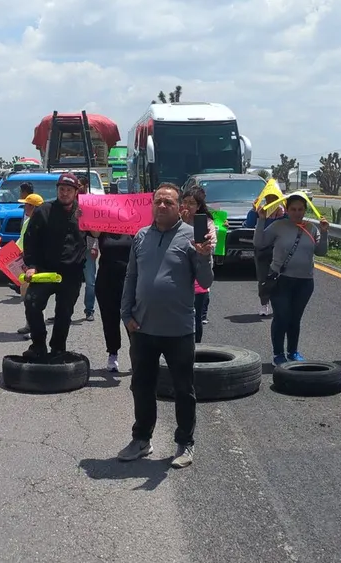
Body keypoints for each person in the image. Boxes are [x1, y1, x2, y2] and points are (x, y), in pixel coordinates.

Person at [117, 182, 214, 469]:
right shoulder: (141, 237)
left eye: (168, 203)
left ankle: (185, 443)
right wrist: (126, 314)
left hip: (179, 330)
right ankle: (141, 439)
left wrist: (205, 255)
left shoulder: (191, 237)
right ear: (152, 204)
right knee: (141, 386)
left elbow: (206, 282)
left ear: (179, 208)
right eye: (158, 201)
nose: (162, 206)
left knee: (183, 390)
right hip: (143, 329)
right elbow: (131, 278)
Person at [254, 194, 329, 365]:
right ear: (287, 210)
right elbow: (259, 243)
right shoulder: (278, 226)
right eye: (293, 209)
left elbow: (321, 252)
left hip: (304, 282)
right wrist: (261, 220)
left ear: (305, 210)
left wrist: (324, 233)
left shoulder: (311, 228)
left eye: (300, 209)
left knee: (295, 318)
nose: (297, 213)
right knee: (282, 316)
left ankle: (293, 352)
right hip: (280, 280)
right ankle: (278, 354)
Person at [20, 172, 87, 360]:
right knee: (32, 304)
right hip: (44, 271)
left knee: (64, 313)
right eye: (61, 189)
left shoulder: (84, 212)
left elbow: (96, 235)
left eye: (68, 190)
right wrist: (31, 265)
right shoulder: (43, 210)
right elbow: (30, 239)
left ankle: (58, 348)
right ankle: (38, 345)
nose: (64, 193)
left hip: (72, 273)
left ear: (76, 192)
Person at [93, 228, 134, 372]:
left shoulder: (134, 226)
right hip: (106, 280)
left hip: (129, 280)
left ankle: (137, 356)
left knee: (133, 319)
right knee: (110, 319)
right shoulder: (103, 228)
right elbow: (92, 232)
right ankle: (112, 353)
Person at [181, 186, 217, 343]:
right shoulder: (175, 221)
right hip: (180, 274)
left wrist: (205, 246)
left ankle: (197, 348)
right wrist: (182, 221)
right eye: (185, 202)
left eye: (192, 203)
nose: (188, 206)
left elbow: (213, 245)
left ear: (199, 206)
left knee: (196, 317)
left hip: (199, 275)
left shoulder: (206, 223)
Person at [244, 194, 284, 316]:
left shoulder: (284, 213)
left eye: (274, 199)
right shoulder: (261, 211)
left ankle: (279, 304)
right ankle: (264, 304)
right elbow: (249, 224)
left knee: (279, 277)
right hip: (262, 249)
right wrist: (254, 210)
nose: (271, 202)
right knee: (263, 278)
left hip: (279, 249)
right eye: (268, 199)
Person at [14, 193, 44, 337]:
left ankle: (35, 328)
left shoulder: (42, 223)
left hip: (34, 266)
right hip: (24, 264)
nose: (24, 207)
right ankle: (29, 324)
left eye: (27, 204)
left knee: (34, 299)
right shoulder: (27, 221)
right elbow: (22, 241)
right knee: (26, 296)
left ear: (34, 207)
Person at [78, 175, 97, 322]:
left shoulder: (92, 203)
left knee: (90, 281)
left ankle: (89, 310)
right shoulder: (68, 203)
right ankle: (63, 311)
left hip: (88, 245)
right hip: (71, 247)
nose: (78, 188)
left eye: (80, 185)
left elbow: (96, 228)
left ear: (86, 186)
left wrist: (94, 246)